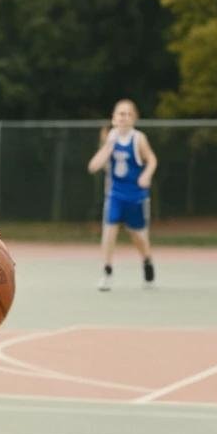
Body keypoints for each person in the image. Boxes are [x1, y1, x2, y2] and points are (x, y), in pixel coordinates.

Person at [87, 98, 157, 291]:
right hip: (115, 195)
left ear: (134, 118)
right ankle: (107, 271)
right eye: (120, 114)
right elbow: (93, 167)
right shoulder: (110, 139)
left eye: (128, 114)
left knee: (138, 237)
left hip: (136, 196)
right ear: (114, 118)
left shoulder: (138, 139)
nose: (124, 118)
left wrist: (146, 174)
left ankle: (147, 261)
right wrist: (108, 146)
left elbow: (152, 160)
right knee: (109, 231)